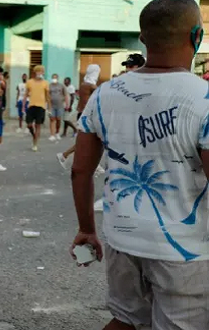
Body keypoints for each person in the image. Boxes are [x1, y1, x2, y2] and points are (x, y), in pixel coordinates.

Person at [71, 2, 209, 330]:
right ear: (197, 36)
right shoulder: (203, 98)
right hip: (184, 252)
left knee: (126, 321)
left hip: (124, 240)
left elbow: (80, 170)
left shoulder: (105, 95)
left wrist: (87, 229)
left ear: (142, 39)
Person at [56, 64, 101, 168]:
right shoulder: (92, 86)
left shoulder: (83, 84)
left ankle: (64, 155)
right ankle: (64, 155)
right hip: (88, 115)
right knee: (91, 141)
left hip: (83, 114)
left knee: (88, 141)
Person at [23, 65, 50, 151]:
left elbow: (47, 96)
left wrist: (49, 107)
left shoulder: (45, 83)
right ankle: (34, 135)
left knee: (38, 125)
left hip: (41, 106)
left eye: (41, 71)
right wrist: (23, 106)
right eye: (38, 71)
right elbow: (26, 94)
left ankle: (35, 144)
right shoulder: (30, 82)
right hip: (31, 105)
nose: (40, 73)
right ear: (35, 72)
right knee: (29, 124)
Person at [48, 73, 69, 142]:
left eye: (55, 77)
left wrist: (67, 104)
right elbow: (47, 95)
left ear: (57, 78)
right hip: (51, 106)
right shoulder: (49, 86)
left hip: (60, 105)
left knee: (58, 119)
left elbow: (65, 95)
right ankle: (52, 134)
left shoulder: (61, 86)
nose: (54, 79)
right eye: (53, 77)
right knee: (52, 119)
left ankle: (57, 133)